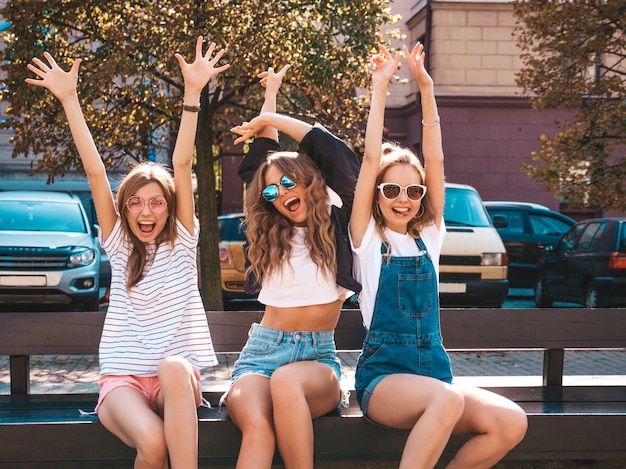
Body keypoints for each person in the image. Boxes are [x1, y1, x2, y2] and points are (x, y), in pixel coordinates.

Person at [26, 36, 230, 469]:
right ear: (124, 208)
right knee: (153, 446)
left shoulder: (183, 240)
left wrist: (192, 93)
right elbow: (96, 172)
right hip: (124, 383)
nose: (146, 210)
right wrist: (69, 99)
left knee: (175, 365)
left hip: (176, 384)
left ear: (171, 208)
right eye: (135, 201)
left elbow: (181, 163)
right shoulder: (118, 245)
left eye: (157, 202)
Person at [349, 43, 528, 469]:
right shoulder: (369, 240)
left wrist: (427, 88)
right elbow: (372, 156)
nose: (403, 198)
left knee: (511, 422)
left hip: (434, 379)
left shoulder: (429, 236)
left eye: (414, 190)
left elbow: (436, 157)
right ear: (377, 195)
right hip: (384, 380)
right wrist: (379, 87)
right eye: (391, 190)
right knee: (445, 399)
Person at [224, 65, 361, 469]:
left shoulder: (340, 221)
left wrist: (272, 115)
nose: (280, 194)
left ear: (308, 181)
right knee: (259, 427)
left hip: (317, 360)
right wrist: (268, 100)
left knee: (287, 382)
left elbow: (337, 155)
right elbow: (258, 164)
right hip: (261, 353)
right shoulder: (270, 232)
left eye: (288, 183)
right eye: (272, 191)